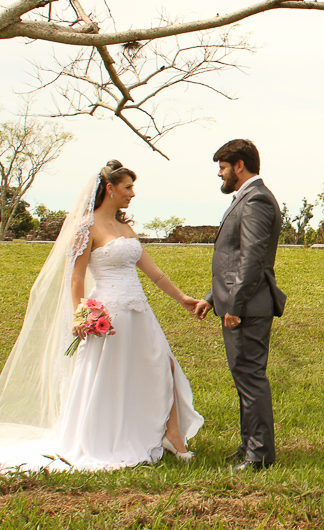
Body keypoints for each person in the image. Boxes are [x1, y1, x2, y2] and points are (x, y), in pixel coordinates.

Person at [0, 161, 204, 471]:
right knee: (110, 377)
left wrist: (184, 299)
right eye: (127, 187)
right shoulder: (86, 226)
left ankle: (172, 436)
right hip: (108, 314)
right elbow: (77, 276)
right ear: (110, 188)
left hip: (139, 311)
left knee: (165, 366)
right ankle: (107, 435)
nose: (132, 194)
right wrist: (80, 314)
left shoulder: (126, 227)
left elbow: (155, 274)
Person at [196, 140, 285, 471]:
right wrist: (211, 298)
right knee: (244, 378)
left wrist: (233, 304)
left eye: (222, 166)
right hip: (239, 302)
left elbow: (252, 258)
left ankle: (259, 455)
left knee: (250, 377)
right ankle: (248, 444)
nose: (219, 173)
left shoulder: (257, 199)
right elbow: (235, 259)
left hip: (247, 307)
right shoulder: (247, 199)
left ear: (239, 166)